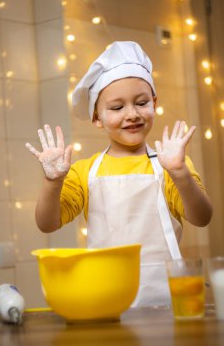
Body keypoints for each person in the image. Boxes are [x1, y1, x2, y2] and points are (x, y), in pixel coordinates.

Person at [26, 41, 212, 307]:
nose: (132, 114)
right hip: (106, 301)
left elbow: (202, 217)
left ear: (154, 103)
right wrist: (52, 182)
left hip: (167, 304)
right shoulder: (85, 172)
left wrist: (180, 173)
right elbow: (47, 223)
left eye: (141, 102)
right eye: (117, 108)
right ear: (96, 118)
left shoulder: (170, 164)